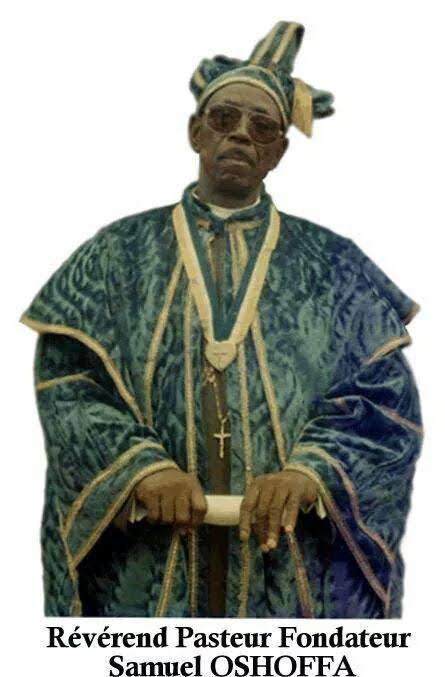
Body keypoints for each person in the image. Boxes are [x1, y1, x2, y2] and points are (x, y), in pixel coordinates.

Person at [22, 20, 422, 618]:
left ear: (278, 151)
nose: (240, 134)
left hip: (290, 569)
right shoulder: (115, 255)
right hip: (148, 565)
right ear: (195, 131)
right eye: (224, 118)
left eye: (263, 127)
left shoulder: (335, 266)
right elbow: (71, 382)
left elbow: (384, 400)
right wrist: (141, 468)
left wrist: (311, 473)